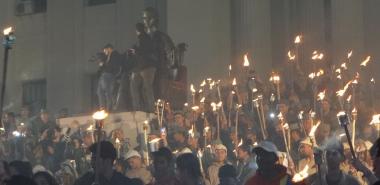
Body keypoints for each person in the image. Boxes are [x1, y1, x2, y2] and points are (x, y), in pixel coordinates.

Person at [129, 22, 156, 113]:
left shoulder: (143, 38)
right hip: (143, 66)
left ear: (137, 30)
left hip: (146, 66)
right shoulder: (146, 38)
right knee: (144, 88)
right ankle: (144, 108)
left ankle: (144, 108)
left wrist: (135, 50)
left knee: (146, 88)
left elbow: (144, 52)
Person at [97, 44, 122, 111]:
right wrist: (102, 65)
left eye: (105, 50)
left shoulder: (115, 55)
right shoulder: (108, 56)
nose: (105, 52)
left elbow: (114, 66)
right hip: (105, 75)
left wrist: (105, 65)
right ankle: (103, 107)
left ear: (109, 49)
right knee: (100, 91)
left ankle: (109, 107)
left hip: (109, 75)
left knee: (107, 91)